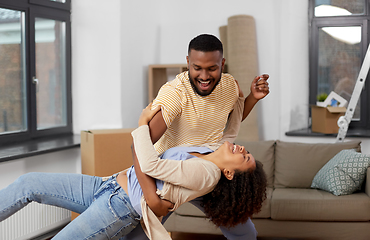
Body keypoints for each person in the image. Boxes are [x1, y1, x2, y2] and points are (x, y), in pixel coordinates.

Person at [0, 98, 267, 240]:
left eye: (245, 159)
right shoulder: (211, 150)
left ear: (230, 174)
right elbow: (231, 130)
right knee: (29, 183)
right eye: (248, 151)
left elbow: (151, 165)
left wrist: (141, 124)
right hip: (106, 185)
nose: (244, 150)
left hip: (119, 208)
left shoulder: (205, 174)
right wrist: (250, 98)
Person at [128, 33, 270, 240]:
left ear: (222, 63)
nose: (204, 76)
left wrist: (252, 98)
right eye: (197, 68)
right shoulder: (175, 94)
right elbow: (138, 146)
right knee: (141, 235)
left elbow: (234, 119)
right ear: (188, 62)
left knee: (246, 233)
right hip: (170, 174)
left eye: (212, 68)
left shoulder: (229, 86)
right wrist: (151, 197)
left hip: (208, 169)